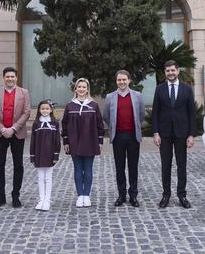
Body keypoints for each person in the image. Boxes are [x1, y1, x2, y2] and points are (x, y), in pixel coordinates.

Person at [151, 60, 197, 209]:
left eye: (172, 70)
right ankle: (166, 195)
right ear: (165, 72)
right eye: (167, 71)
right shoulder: (159, 89)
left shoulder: (187, 89)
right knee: (166, 165)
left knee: (181, 165)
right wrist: (155, 132)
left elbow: (192, 113)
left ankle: (182, 195)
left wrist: (191, 135)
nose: (170, 73)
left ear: (178, 71)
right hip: (164, 134)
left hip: (182, 133)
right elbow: (155, 112)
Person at [0, 66, 32, 209]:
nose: (10, 79)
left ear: (16, 78)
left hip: (17, 134)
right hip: (0, 134)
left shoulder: (24, 93)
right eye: (7, 77)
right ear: (3, 78)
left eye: (12, 76)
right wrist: (1, 129)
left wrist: (13, 128)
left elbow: (26, 112)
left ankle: (15, 196)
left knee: (18, 165)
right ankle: (0, 197)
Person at [103, 70, 145, 207]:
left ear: (129, 80)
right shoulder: (110, 97)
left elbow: (141, 115)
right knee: (119, 167)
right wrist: (114, 126)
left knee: (133, 167)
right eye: (119, 80)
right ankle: (121, 195)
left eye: (124, 80)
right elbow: (106, 116)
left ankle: (133, 195)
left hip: (133, 136)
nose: (121, 82)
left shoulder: (137, 96)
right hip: (118, 136)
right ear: (116, 81)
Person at [61, 78, 104, 208]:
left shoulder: (93, 105)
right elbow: (65, 125)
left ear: (87, 89)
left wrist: (100, 141)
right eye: (79, 87)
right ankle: (80, 196)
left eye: (84, 87)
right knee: (78, 170)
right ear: (76, 89)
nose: (81, 89)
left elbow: (99, 125)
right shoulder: (70, 105)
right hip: (74, 142)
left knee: (89, 170)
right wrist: (66, 141)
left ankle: (87, 195)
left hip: (90, 141)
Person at [29, 100, 60, 211]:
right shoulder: (36, 124)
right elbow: (33, 141)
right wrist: (32, 156)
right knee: (40, 178)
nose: (45, 111)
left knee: (48, 177)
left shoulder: (55, 123)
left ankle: (47, 199)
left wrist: (56, 155)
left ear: (51, 110)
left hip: (50, 154)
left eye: (47, 108)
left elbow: (57, 141)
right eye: (42, 109)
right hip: (38, 153)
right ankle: (41, 199)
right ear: (39, 110)